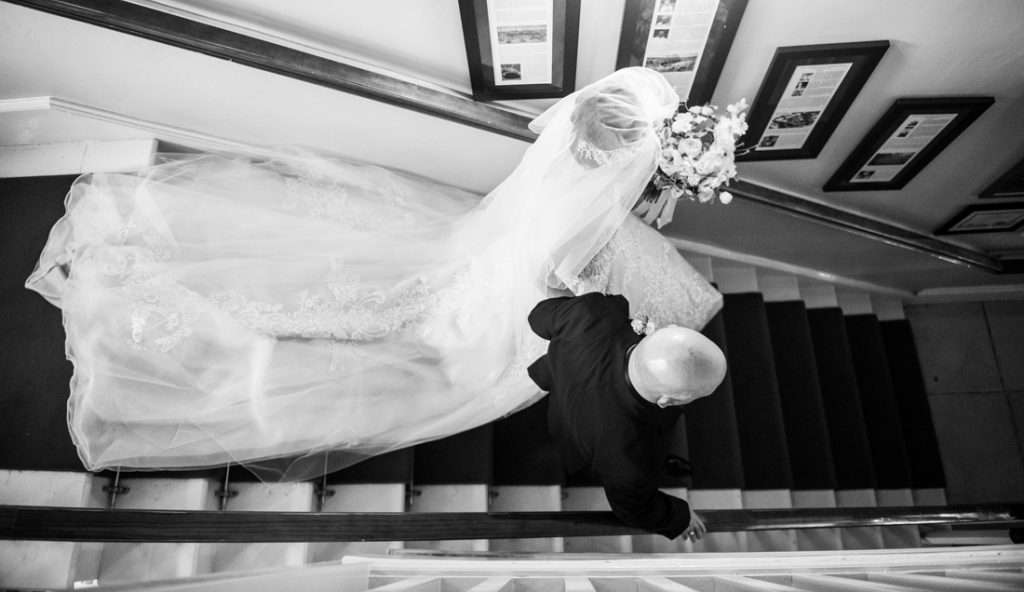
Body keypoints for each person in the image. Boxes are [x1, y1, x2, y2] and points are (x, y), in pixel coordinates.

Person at [25, 67, 722, 482]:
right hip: (515, 282)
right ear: (635, 153)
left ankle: (225, 304)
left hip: (488, 252)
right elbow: (551, 267)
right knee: (400, 324)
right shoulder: (586, 199)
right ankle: (214, 312)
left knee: (387, 303)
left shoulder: (570, 157)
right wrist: (581, 293)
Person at [527, 292, 726, 541]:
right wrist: (677, 516)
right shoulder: (631, 461)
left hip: (565, 388)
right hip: (584, 431)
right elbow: (635, 511)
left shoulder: (589, 311)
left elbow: (538, 317)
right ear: (667, 401)